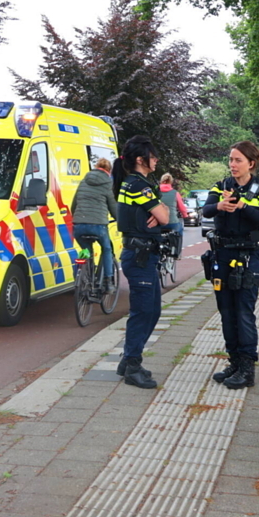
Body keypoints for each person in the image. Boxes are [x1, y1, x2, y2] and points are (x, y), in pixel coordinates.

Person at [202, 141, 259, 389]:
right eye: (231, 160)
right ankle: (234, 362)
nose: (232, 165)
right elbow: (207, 210)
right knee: (226, 313)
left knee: (244, 313)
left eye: (238, 160)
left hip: (248, 258)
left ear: (250, 164)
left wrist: (244, 205)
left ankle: (247, 369)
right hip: (222, 256)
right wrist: (220, 205)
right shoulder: (221, 185)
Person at [114, 135, 169, 388]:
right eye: (153, 156)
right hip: (139, 257)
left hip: (142, 256)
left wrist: (158, 215)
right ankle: (132, 366)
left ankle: (128, 360)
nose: (156, 159)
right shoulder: (137, 185)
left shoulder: (136, 182)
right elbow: (166, 216)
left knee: (153, 311)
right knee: (143, 312)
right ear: (140, 159)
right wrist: (159, 215)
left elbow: (162, 215)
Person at [71, 157, 118, 291]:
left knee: (87, 251)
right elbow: (113, 208)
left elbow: (73, 206)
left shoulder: (83, 181)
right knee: (107, 248)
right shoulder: (108, 184)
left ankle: (84, 280)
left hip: (79, 225)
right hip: (98, 226)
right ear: (108, 171)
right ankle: (108, 282)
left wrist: (78, 218)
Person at [158, 173, 189, 258]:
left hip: (158, 222)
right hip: (172, 222)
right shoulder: (175, 193)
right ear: (171, 182)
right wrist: (185, 215)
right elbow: (181, 207)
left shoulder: (156, 192)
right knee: (179, 232)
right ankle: (177, 253)